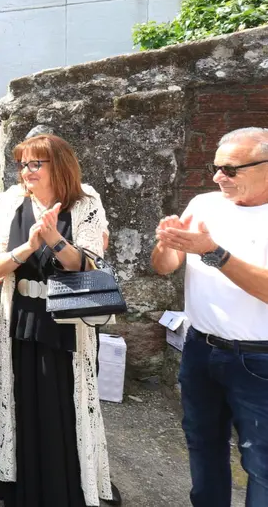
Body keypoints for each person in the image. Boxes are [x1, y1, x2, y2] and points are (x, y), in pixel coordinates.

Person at [0, 132, 115, 507]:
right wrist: (27, 246)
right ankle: (24, 492)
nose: (26, 171)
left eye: (34, 164)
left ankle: (66, 493)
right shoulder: (12, 200)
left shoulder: (85, 200)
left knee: (63, 406)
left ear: (57, 166)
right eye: (22, 163)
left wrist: (56, 240)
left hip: (66, 322)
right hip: (22, 319)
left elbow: (90, 265)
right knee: (24, 403)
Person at [151, 127, 268, 507]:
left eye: (231, 170)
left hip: (258, 357)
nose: (219, 178)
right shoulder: (204, 203)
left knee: (261, 462)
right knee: (202, 445)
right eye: (216, 168)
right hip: (199, 348)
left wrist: (213, 252)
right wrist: (167, 243)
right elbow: (165, 266)